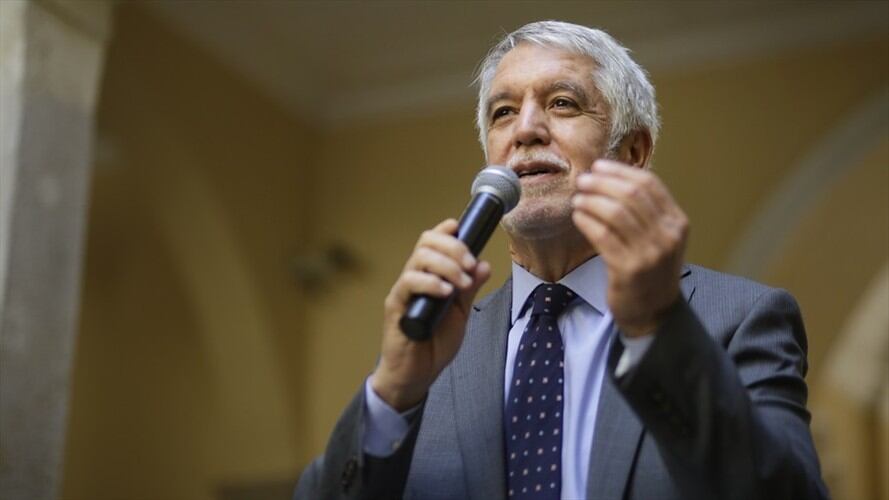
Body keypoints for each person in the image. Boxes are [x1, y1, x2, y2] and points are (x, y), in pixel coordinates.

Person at [295, 20, 828, 500]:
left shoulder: (741, 317)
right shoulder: (431, 347)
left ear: (632, 153)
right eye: (504, 113)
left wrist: (656, 328)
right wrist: (392, 392)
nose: (525, 130)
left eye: (562, 103)